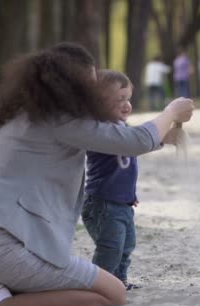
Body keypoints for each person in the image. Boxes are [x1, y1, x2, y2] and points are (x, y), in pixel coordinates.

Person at [0, 42, 194, 306]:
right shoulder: (61, 121)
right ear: (73, 86)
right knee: (113, 294)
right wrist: (172, 112)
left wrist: (161, 138)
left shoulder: (26, 119)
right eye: (91, 85)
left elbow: (115, 140)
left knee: (104, 289)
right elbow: (135, 140)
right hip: (0, 251)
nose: (94, 94)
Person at [81, 69, 141, 291]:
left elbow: (126, 169)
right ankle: (98, 286)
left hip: (122, 202)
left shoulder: (123, 128)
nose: (126, 105)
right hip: (102, 202)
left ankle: (119, 282)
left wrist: (130, 195)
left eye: (128, 99)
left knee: (127, 245)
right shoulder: (100, 130)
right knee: (111, 247)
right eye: (119, 100)